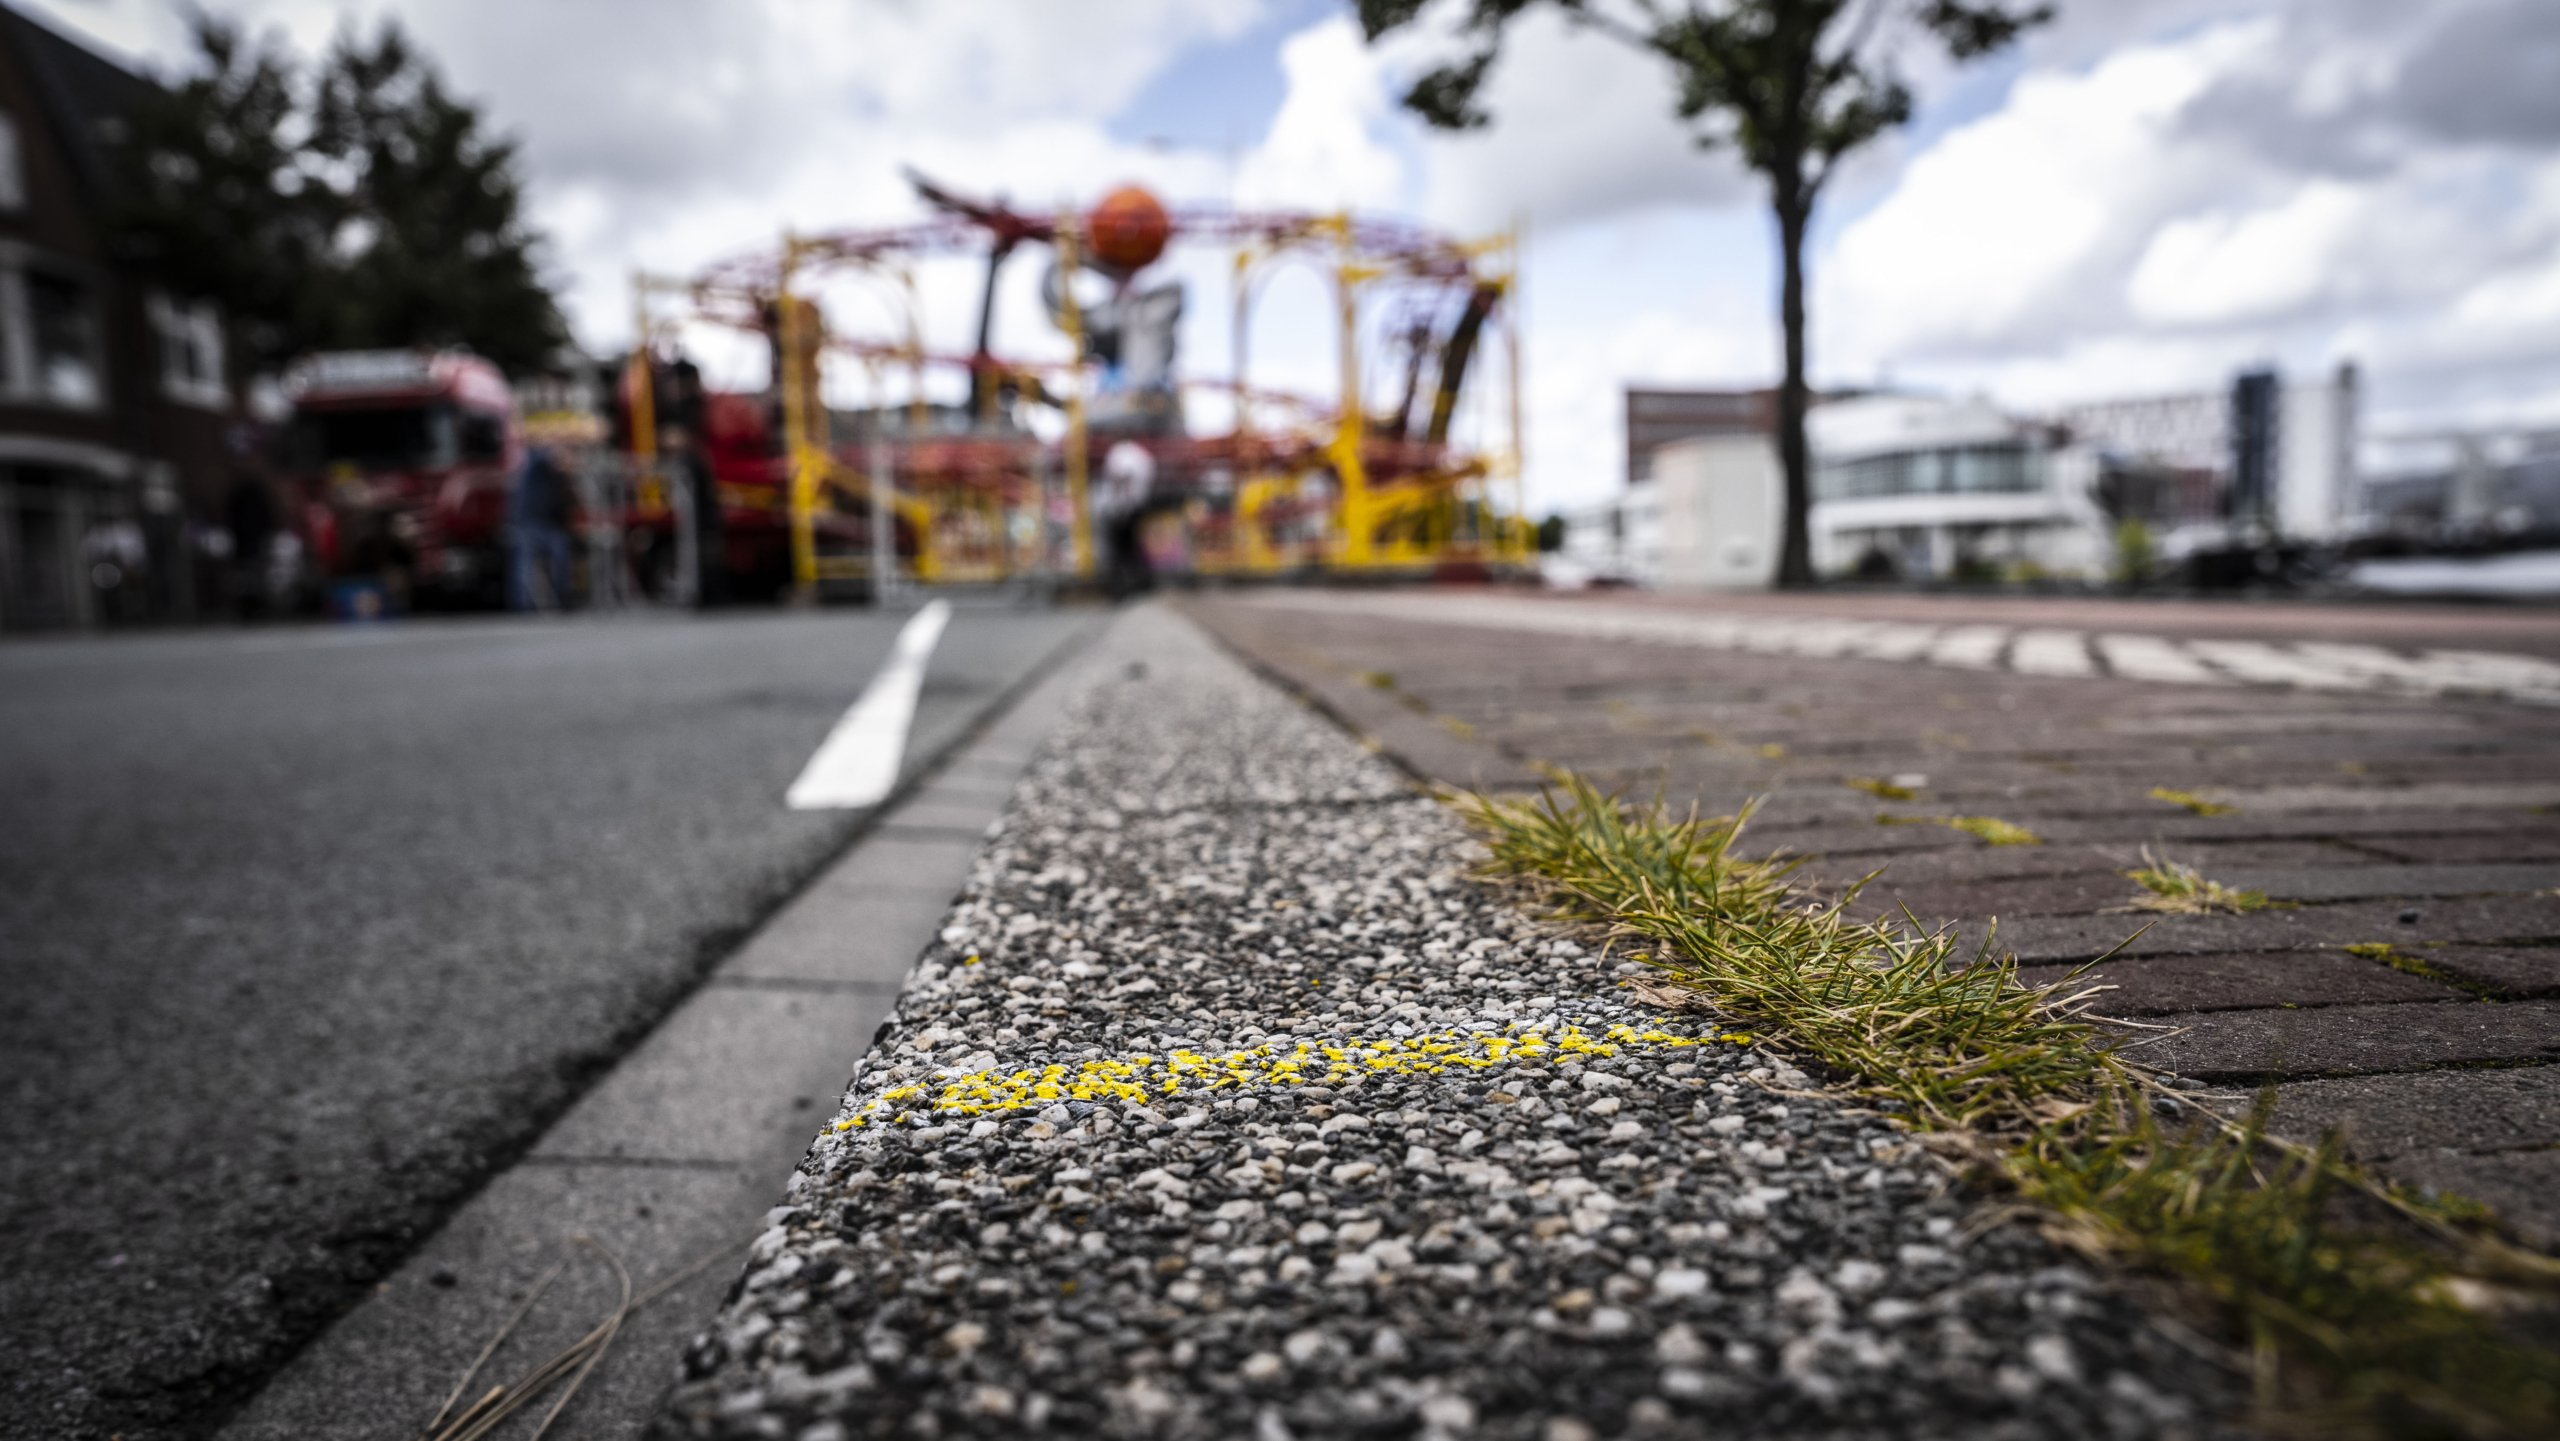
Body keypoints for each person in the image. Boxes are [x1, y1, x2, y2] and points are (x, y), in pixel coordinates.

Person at [509, 444, 575, 611]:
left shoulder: (551, 474)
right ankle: (523, 604)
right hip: (531, 521)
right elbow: (549, 457)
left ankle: (562, 598)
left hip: (548, 521)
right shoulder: (537, 463)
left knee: (560, 555)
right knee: (526, 564)